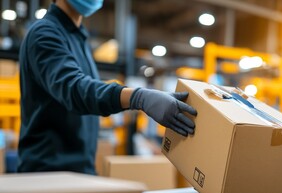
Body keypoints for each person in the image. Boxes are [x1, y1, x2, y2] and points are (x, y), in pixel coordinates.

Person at [18, 0, 197, 174]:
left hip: (78, 170)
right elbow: (76, 90)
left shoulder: (76, 37)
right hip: (48, 172)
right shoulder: (44, 33)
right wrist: (138, 97)